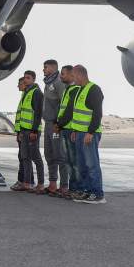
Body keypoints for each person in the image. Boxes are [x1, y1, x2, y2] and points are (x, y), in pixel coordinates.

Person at [66, 64, 106, 204]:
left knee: (92, 165)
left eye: (73, 76)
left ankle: (97, 194)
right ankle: (87, 191)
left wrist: (91, 132)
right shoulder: (79, 90)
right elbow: (78, 113)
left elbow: (97, 114)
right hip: (79, 134)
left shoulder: (94, 89)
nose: (73, 79)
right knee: (82, 165)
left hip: (89, 134)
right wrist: (75, 131)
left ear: (80, 75)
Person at [11, 72, 44, 193]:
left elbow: (38, 113)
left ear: (34, 79)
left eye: (28, 78)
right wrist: (19, 131)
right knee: (25, 157)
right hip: (24, 131)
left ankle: (40, 184)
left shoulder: (36, 93)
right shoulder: (26, 93)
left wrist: (34, 130)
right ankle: (26, 183)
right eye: (24, 77)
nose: (25, 80)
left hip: (31, 131)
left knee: (36, 157)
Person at [40, 59, 68, 197]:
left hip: (56, 125)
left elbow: (64, 103)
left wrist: (59, 123)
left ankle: (64, 187)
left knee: (60, 155)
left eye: (45, 67)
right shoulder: (48, 83)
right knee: (49, 154)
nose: (43, 70)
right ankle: (52, 185)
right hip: (48, 124)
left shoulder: (58, 82)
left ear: (52, 68)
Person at [54, 64, 80, 200]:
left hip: (69, 129)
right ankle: (71, 189)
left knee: (73, 162)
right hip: (65, 128)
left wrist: (59, 124)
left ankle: (74, 189)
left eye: (63, 74)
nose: (60, 76)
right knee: (68, 161)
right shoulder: (67, 90)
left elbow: (69, 112)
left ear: (71, 75)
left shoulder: (74, 90)